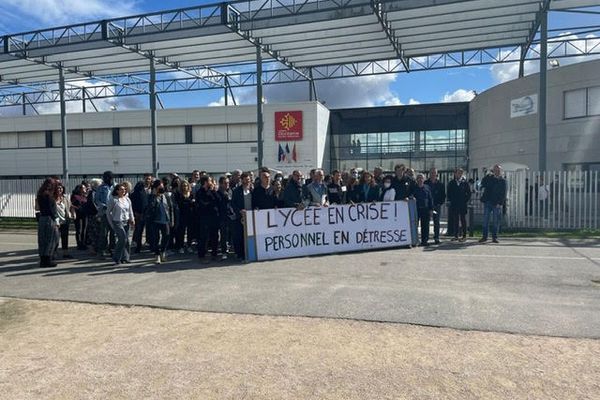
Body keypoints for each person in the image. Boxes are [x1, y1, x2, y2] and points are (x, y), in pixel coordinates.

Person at [146, 179, 174, 264]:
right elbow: (150, 207)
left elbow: (171, 208)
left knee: (166, 236)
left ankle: (163, 252)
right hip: (155, 220)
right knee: (155, 238)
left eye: (162, 187)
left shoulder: (166, 196)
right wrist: (155, 196)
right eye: (159, 187)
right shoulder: (151, 197)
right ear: (155, 188)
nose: (161, 188)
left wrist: (172, 220)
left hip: (165, 220)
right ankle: (157, 254)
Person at [107, 183, 135, 265]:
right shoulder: (113, 200)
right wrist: (111, 224)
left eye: (124, 189)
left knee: (127, 241)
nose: (124, 191)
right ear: (117, 191)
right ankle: (116, 257)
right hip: (117, 222)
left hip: (126, 221)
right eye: (121, 189)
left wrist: (132, 219)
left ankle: (125, 257)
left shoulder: (127, 199)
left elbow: (130, 210)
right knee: (122, 239)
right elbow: (108, 212)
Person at [479, 165, 507, 243]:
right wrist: (487, 174)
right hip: (488, 201)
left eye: (498, 170)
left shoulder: (503, 181)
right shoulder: (489, 178)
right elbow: (482, 183)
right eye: (495, 170)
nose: (496, 172)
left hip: (497, 203)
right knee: (485, 220)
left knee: (495, 221)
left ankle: (494, 237)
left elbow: (503, 193)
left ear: (501, 171)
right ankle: (484, 237)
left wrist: (500, 203)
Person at [36, 178, 60, 268]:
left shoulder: (40, 194)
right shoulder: (49, 196)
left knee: (42, 240)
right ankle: (48, 260)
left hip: (42, 218)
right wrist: (56, 220)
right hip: (49, 219)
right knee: (50, 239)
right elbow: (52, 210)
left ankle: (43, 260)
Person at [195, 175, 220, 263]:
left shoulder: (213, 191)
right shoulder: (200, 192)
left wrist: (213, 191)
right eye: (209, 181)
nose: (211, 182)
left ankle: (214, 254)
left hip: (214, 217)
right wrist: (211, 203)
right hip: (204, 218)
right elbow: (203, 204)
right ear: (205, 182)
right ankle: (202, 256)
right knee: (204, 237)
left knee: (215, 236)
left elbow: (218, 200)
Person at [231, 172, 253, 260]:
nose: (248, 181)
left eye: (249, 179)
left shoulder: (251, 190)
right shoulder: (237, 191)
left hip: (251, 217)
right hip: (240, 217)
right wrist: (239, 211)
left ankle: (249, 253)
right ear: (242, 180)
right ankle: (240, 254)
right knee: (240, 236)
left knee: (249, 236)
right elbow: (233, 203)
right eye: (246, 179)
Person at [94, 171, 115, 258]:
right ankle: (101, 251)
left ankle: (112, 249)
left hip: (114, 213)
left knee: (113, 233)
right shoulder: (101, 188)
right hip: (104, 213)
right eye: (105, 177)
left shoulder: (115, 186)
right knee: (104, 233)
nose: (107, 179)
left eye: (109, 178)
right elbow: (96, 200)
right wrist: (103, 206)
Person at [447, 168, 471, 241]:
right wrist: (451, 200)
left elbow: (469, 193)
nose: (459, 174)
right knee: (456, 220)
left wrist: (465, 200)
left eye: (461, 173)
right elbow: (449, 193)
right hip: (454, 204)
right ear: (455, 174)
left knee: (463, 219)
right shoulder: (451, 183)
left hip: (462, 204)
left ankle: (464, 236)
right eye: (458, 173)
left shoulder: (465, 183)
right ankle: (456, 235)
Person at [131, 173, 152, 253]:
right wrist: (135, 211)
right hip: (140, 213)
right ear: (144, 179)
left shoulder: (152, 188)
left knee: (150, 231)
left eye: (149, 179)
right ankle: (138, 246)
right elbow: (134, 200)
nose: (148, 180)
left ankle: (150, 245)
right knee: (139, 231)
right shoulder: (138, 188)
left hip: (150, 213)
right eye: (146, 178)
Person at [424, 168, 446, 244]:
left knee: (436, 222)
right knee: (426, 222)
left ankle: (436, 237)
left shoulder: (440, 184)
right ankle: (425, 238)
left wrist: (440, 203)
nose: (433, 174)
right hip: (427, 207)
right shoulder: (425, 183)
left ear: (436, 174)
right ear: (429, 174)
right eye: (431, 173)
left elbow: (443, 195)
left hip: (436, 206)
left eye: (434, 173)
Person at [174, 180, 195, 254]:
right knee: (181, 232)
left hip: (190, 215)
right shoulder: (178, 194)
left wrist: (189, 202)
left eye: (186, 185)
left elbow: (193, 203)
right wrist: (189, 202)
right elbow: (180, 204)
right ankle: (181, 246)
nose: (185, 187)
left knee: (190, 231)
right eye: (183, 185)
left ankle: (189, 245)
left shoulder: (191, 194)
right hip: (182, 215)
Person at [54, 182, 73, 259]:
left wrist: (72, 213)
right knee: (56, 238)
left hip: (65, 220)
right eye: (58, 188)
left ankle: (65, 253)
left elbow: (70, 206)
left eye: (61, 188)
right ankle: (54, 252)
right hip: (56, 222)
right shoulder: (52, 198)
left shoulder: (65, 198)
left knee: (65, 237)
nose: (60, 189)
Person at [414, 173, 434, 246]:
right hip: (416, 210)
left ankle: (424, 241)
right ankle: (415, 240)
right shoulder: (414, 188)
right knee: (415, 225)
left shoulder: (427, 187)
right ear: (416, 179)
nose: (420, 179)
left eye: (421, 178)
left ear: (424, 179)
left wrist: (431, 209)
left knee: (425, 226)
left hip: (425, 210)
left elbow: (430, 198)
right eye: (418, 178)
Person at [216, 176, 232, 260]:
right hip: (222, 217)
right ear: (221, 184)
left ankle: (229, 247)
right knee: (223, 235)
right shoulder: (217, 193)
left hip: (230, 216)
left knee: (230, 234)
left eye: (228, 183)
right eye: (225, 183)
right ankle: (224, 251)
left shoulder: (229, 191)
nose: (227, 185)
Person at [70, 184, 88, 251]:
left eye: (85, 188)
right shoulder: (75, 196)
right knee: (79, 230)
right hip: (78, 215)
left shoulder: (85, 196)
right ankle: (79, 244)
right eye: (83, 188)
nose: (84, 189)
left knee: (84, 229)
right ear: (79, 189)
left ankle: (83, 243)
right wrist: (77, 209)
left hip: (85, 214)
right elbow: (72, 205)